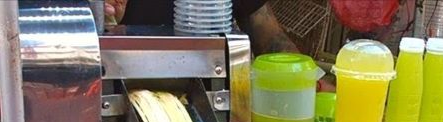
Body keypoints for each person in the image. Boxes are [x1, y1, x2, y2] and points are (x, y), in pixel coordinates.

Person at [105, 0, 299, 56]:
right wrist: (109, 23)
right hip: (129, 105)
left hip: (213, 108)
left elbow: (272, 40)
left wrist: (309, 83)